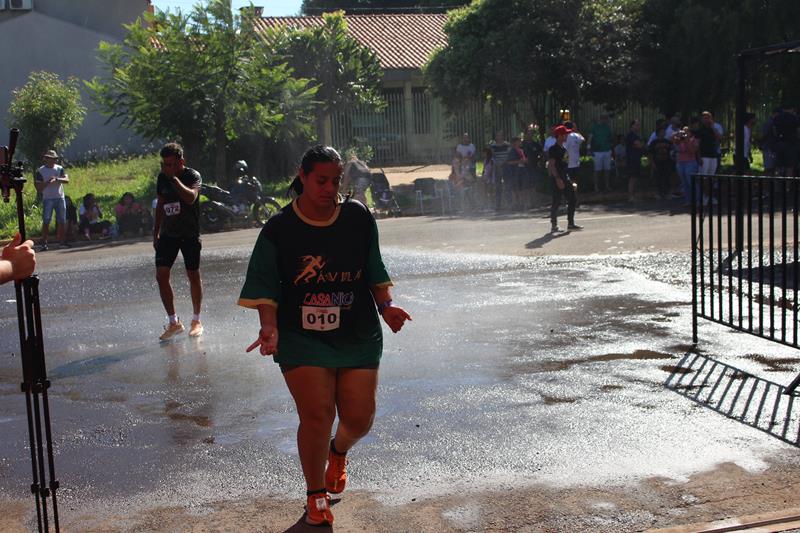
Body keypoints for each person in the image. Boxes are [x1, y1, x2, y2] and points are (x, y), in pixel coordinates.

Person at [238, 145, 411, 527]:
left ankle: (339, 451)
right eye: (321, 180)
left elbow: (373, 269)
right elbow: (266, 283)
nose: (329, 189)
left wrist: (387, 307)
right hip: (301, 334)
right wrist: (268, 326)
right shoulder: (280, 227)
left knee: (360, 418)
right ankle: (316, 494)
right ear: (302, 176)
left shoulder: (358, 217)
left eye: (336, 181)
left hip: (356, 330)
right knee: (317, 413)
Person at [153, 142, 204, 340]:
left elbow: (191, 197)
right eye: (164, 164)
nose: (167, 168)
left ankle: (196, 320)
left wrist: (175, 180)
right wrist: (155, 231)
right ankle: (174, 322)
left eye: (171, 164)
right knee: (161, 275)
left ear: (181, 162)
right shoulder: (162, 178)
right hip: (169, 234)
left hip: (189, 233)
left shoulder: (192, 176)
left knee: (193, 275)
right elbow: (160, 204)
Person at [33, 150, 70, 251]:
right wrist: (48, 182)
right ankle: (44, 243)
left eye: (54, 159)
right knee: (46, 220)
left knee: (62, 220)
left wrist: (57, 179)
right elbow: (39, 188)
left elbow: (66, 180)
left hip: (59, 197)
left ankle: (62, 241)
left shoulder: (59, 168)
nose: (52, 160)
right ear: (46, 159)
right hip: (47, 199)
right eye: (50, 158)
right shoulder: (40, 171)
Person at [548, 125, 581, 232]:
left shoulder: (564, 148)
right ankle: (554, 225)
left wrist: (567, 178)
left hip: (564, 177)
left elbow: (564, 165)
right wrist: (557, 179)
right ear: (560, 136)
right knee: (556, 201)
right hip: (557, 178)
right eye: (565, 134)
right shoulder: (553, 149)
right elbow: (552, 165)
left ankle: (570, 223)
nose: (567, 135)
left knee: (572, 199)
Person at [673, 126, 700, 204]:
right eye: (684, 131)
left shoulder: (694, 140)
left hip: (690, 162)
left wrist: (687, 141)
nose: (685, 133)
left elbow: (692, 151)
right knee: (684, 183)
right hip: (680, 163)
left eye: (687, 131)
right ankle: (688, 200)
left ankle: (697, 200)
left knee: (691, 182)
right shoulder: (679, 140)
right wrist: (677, 133)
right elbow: (671, 139)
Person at [588, 114, 613, 192]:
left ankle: (607, 185)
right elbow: (590, 138)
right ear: (600, 119)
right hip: (597, 152)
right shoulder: (594, 127)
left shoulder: (608, 128)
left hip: (607, 150)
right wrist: (588, 148)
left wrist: (611, 147)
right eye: (603, 119)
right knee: (597, 170)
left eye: (606, 119)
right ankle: (596, 186)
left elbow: (611, 139)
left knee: (607, 170)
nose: (605, 120)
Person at [648, 127, 673, 199]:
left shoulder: (668, 141)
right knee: (658, 178)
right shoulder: (654, 142)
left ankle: (667, 193)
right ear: (658, 133)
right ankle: (658, 193)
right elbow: (650, 154)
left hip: (666, 162)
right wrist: (652, 163)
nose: (663, 133)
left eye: (663, 132)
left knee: (667, 177)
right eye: (661, 132)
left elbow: (671, 151)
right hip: (657, 162)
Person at [625, 120, 644, 202]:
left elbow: (640, 145)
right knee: (632, 178)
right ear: (632, 126)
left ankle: (634, 196)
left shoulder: (636, 135)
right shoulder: (631, 135)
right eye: (636, 125)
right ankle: (630, 197)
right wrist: (641, 144)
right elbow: (639, 145)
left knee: (635, 178)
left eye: (639, 125)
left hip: (636, 158)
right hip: (632, 159)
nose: (638, 126)